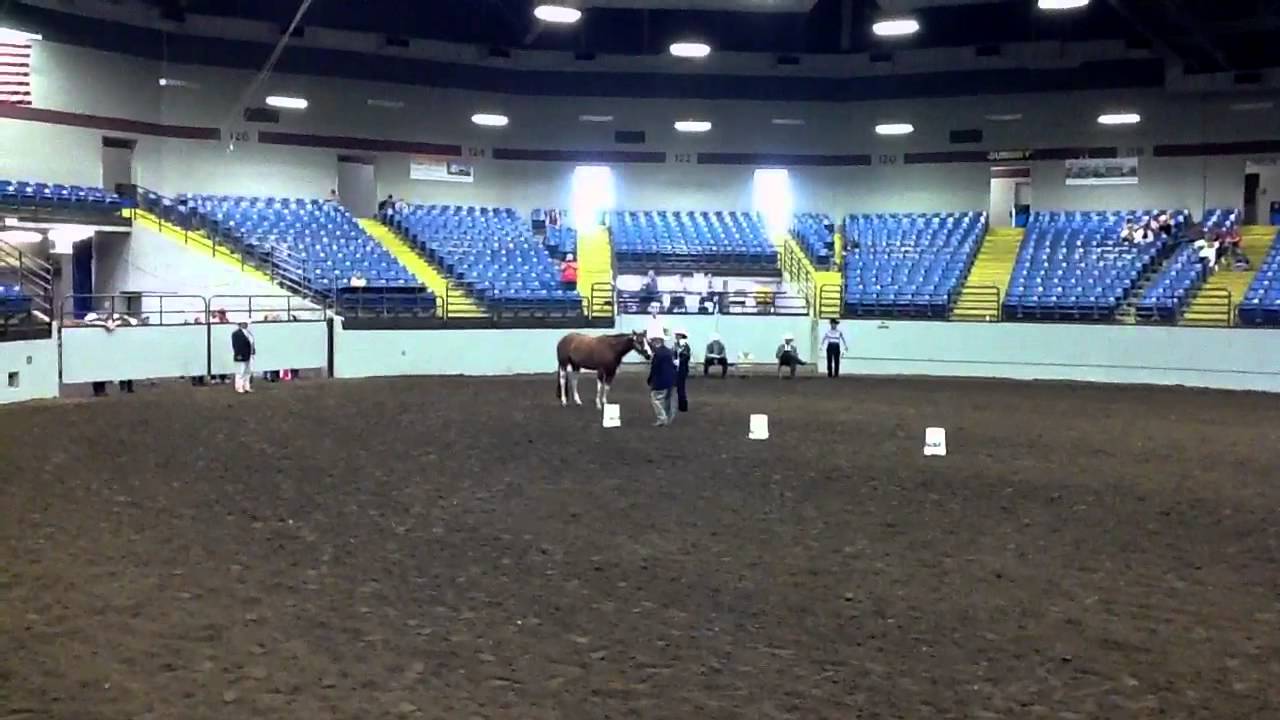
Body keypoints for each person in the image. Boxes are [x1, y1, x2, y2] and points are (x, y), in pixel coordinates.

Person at [647, 336, 676, 427]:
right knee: (667, 399)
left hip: (660, 380)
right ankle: (668, 417)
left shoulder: (657, 353)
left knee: (656, 399)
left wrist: (650, 379)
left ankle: (662, 418)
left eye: (653, 341)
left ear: (657, 341)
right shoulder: (668, 351)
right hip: (670, 379)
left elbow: (655, 368)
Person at [231, 321, 255, 394]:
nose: (245, 324)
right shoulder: (235, 333)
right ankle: (239, 387)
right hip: (241, 355)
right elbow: (235, 345)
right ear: (240, 324)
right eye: (244, 323)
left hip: (249, 354)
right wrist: (238, 354)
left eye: (246, 323)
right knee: (240, 372)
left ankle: (247, 387)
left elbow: (252, 343)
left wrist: (253, 351)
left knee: (248, 372)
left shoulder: (249, 333)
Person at [673, 329, 691, 413]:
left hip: (682, 369)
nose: (676, 336)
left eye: (678, 335)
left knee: (681, 388)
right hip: (675, 369)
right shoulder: (676, 345)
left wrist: (679, 361)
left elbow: (686, 356)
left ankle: (683, 406)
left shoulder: (685, 346)